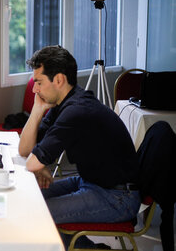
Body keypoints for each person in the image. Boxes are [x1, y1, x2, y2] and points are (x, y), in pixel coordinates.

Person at [18, 45, 140, 249]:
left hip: (117, 197)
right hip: (91, 182)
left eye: (38, 82)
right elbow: (24, 150)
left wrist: (41, 165)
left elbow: (32, 163)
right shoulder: (64, 103)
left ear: (58, 80)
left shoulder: (76, 111)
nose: (34, 89)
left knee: (36, 212)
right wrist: (37, 110)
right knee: (28, 198)